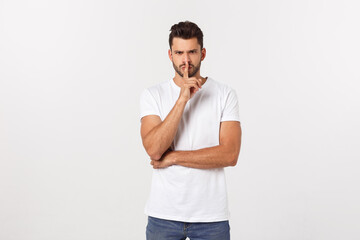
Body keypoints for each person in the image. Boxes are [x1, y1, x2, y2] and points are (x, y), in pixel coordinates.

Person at [140, 21, 242, 240]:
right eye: (179, 53)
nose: (185, 61)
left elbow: (230, 154)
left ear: (202, 53)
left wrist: (174, 157)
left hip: (211, 217)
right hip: (163, 215)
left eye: (192, 52)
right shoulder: (153, 95)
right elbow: (155, 150)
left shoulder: (225, 94)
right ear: (170, 55)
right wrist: (182, 99)